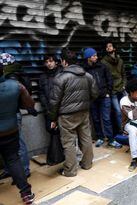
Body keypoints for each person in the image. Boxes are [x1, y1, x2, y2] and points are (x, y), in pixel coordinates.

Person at [49, 49, 99, 177]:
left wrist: (53, 119)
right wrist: (85, 104)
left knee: (69, 142)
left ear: (64, 62)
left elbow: (54, 102)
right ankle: (87, 164)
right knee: (86, 138)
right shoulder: (87, 75)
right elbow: (95, 94)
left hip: (66, 116)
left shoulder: (60, 78)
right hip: (83, 112)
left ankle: (70, 170)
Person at [0, 66, 35, 204]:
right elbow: (30, 104)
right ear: (3, 71)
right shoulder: (16, 86)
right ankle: (26, 194)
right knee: (13, 160)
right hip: (10, 130)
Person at [0, 53, 32, 180]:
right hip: (11, 113)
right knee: (11, 147)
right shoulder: (13, 76)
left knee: (18, 143)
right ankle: (11, 170)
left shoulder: (13, 78)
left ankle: (24, 170)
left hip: (13, 113)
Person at [83, 48, 122, 149]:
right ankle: (100, 137)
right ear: (88, 58)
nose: (96, 57)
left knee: (106, 118)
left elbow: (109, 79)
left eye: (96, 55)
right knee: (95, 119)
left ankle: (111, 139)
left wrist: (108, 92)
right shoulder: (84, 69)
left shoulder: (102, 66)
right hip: (92, 98)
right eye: (93, 56)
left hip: (104, 97)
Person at [39, 56, 63, 165]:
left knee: (64, 132)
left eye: (51, 61)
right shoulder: (43, 77)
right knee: (52, 130)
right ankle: (58, 155)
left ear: (56, 62)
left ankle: (65, 155)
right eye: (46, 62)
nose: (49, 64)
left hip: (61, 109)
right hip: (49, 109)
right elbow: (41, 93)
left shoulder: (61, 74)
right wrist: (46, 106)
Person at [101, 42, 126, 135]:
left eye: (110, 46)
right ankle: (121, 131)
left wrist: (124, 84)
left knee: (128, 109)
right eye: (106, 47)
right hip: (113, 90)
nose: (108, 48)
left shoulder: (120, 60)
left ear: (114, 48)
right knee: (118, 112)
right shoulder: (104, 62)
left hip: (122, 89)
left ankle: (128, 129)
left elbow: (124, 74)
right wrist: (109, 89)